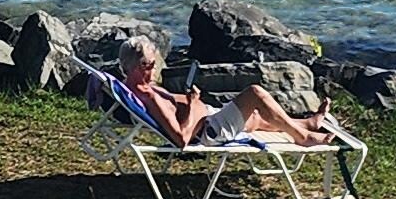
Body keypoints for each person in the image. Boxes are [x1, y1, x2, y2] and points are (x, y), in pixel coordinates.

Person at [113, 35, 342, 151]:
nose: (154, 69)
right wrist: (193, 103)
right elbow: (181, 139)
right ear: (133, 67)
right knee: (255, 93)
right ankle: (303, 138)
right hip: (209, 131)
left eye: (154, 64)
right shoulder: (149, 96)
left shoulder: (134, 87)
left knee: (253, 118)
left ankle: (306, 123)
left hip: (210, 119)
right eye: (148, 65)